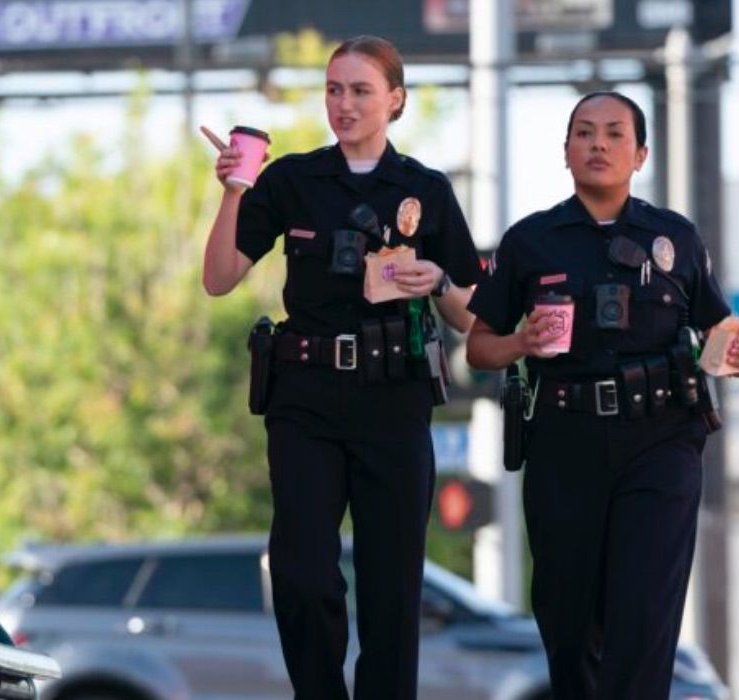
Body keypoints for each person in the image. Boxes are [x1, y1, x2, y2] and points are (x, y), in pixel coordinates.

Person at [200, 35, 483, 700]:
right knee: (302, 574)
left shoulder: (426, 190)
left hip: (393, 400)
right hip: (305, 400)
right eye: (334, 89)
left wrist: (436, 278)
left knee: (391, 590)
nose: (344, 103)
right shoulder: (293, 180)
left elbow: (474, 316)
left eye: (360, 90)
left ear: (395, 100)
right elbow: (218, 278)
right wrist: (236, 190)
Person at [464, 91, 739, 699]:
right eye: (584, 133)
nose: (598, 144)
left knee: (643, 618)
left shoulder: (673, 237)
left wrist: (737, 355)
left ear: (640, 154)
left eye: (614, 134)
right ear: (567, 152)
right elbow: (478, 347)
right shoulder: (530, 241)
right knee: (569, 629)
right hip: (563, 442)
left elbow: (718, 330)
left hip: (660, 441)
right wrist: (522, 340)